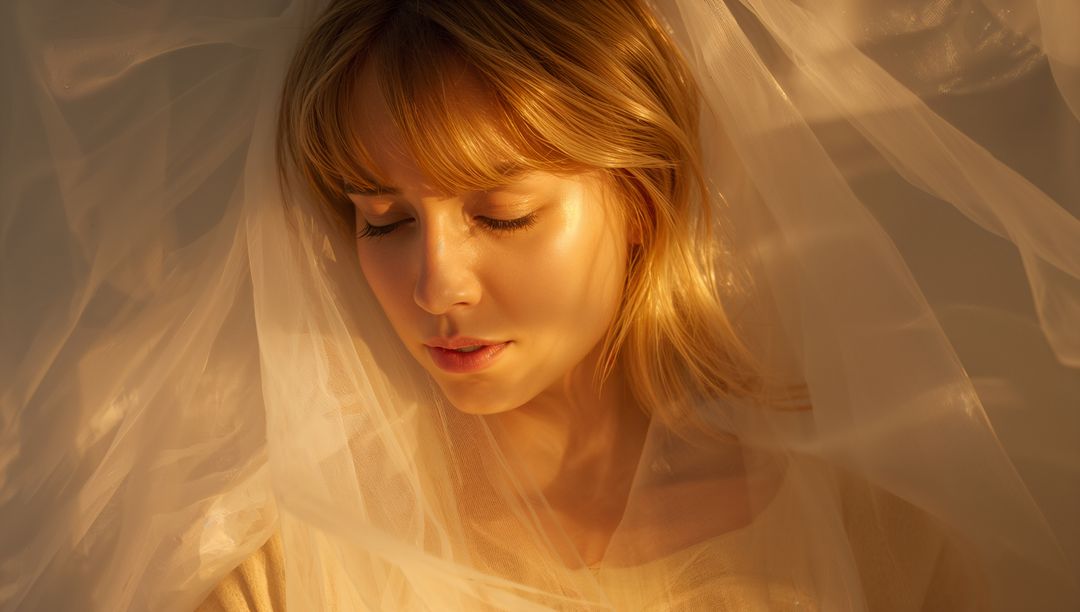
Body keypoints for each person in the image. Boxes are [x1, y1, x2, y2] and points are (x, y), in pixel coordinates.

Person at [3, 0, 1078, 610]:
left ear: (642, 205)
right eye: (382, 218)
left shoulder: (882, 551)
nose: (435, 285)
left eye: (504, 213)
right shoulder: (284, 576)